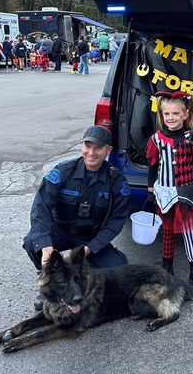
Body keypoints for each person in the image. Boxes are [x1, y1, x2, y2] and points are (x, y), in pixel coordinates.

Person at [23, 125, 131, 310]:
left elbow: (116, 223)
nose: (91, 152)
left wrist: (89, 249)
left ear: (108, 150)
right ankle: (49, 284)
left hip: (89, 237)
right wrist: (46, 246)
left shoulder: (117, 182)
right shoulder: (62, 172)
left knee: (118, 266)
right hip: (61, 230)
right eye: (87, 146)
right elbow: (40, 209)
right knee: (33, 242)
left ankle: (79, 283)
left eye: (98, 148)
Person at [146, 91, 193, 286]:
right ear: (161, 116)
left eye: (176, 114)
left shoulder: (189, 137)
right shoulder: (156, 139)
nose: (171, 118)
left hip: (186, 191)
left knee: (188, 230)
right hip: (165, 191)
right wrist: (150, 192)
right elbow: (152, 166)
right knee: (167, 229)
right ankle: (167, 269)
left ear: (185, 114)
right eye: (166, 114)